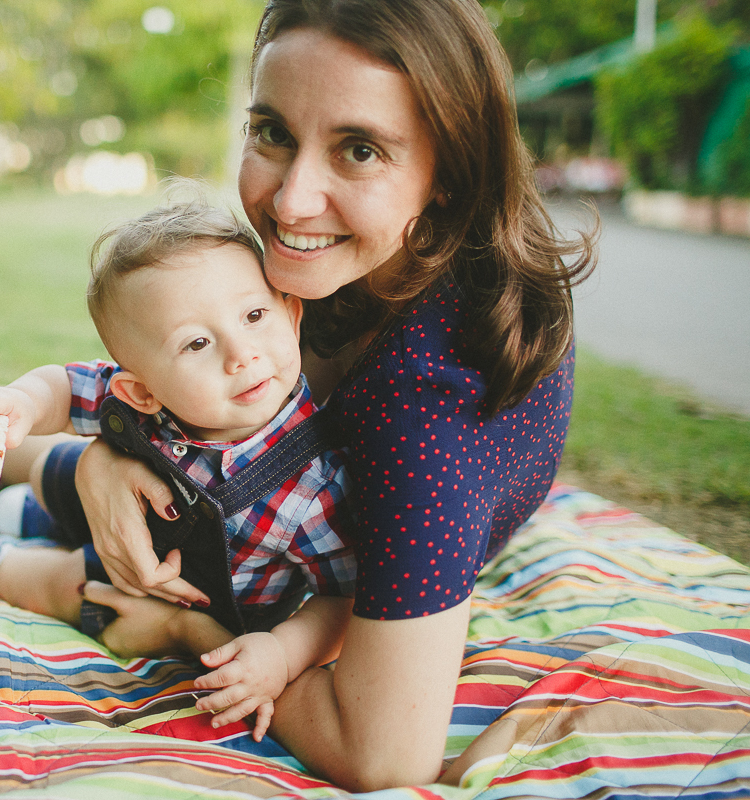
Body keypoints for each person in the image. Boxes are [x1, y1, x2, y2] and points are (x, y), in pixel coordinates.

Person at [44, 0, 596, 791]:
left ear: (450, 174)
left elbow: (385, 758)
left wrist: (184, 630)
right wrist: (104, 458)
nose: (290, 202)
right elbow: (149, 381)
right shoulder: (337, 259)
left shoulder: (424, 419)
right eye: (272, 131)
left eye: (360, 149)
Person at [0, 199, 357, 741]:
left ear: (291, 313)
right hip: (112, 507)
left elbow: (343, 597)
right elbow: (65, 388)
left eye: (254, 316)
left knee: (81, 588)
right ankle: (33, 505)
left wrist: (282, 653)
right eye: (196, 343)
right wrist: (20, 404)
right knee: (61, 468)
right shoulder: (144, 402)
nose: (242, 354)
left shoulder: (316, 488)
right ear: (139, 390)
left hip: (162, 587)